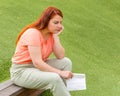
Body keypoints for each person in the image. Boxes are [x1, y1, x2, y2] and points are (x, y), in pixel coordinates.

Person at [10, 6, 73, 96]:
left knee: (66, 62)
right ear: (46, 21)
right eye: (56, 23)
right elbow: (37, 62)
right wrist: (60, 73)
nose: (60, 26)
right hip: (21, 72)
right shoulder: (33, 33)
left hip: (36, 68)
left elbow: (60, 56)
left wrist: (55, 37)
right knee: (54, 78)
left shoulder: (51, 35)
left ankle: (64, 92)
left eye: (60, 23)